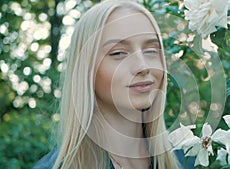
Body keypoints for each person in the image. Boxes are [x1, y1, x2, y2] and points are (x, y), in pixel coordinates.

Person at [33, 0, 195, 168]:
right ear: (85, 70)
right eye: (118, 53)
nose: (143, 66)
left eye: (151, 51)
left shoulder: (189, 158)